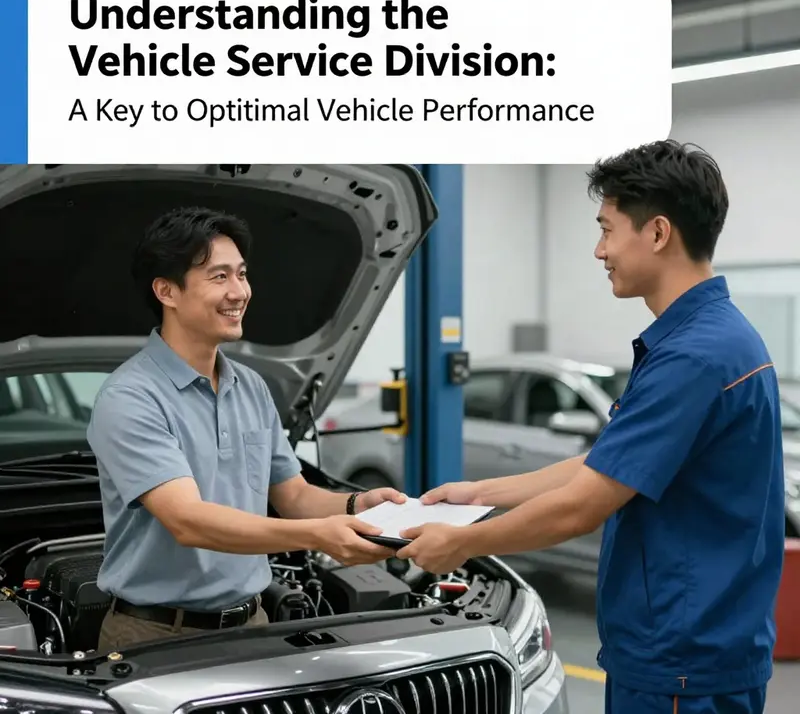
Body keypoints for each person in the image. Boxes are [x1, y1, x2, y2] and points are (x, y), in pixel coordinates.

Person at [397, 140, 785, 714]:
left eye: (607, 230)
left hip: (681, 663)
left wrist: (462, 543)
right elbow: (610, 465)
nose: (600, 250)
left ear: (658, 233)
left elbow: (581, 507)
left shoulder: (693, 357)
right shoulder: (714, 338)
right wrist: (480, 493)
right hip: (697, 649)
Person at [87, 206, 402, 652]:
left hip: (254, 622)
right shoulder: (130, 396)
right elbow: (188, 521)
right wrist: (318, 534)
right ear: (166, 291)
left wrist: (356, 504)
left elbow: (294, 496)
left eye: (242, 274)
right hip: (157, 636)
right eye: (219, 277)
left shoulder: (250, 386)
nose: (239, 292)